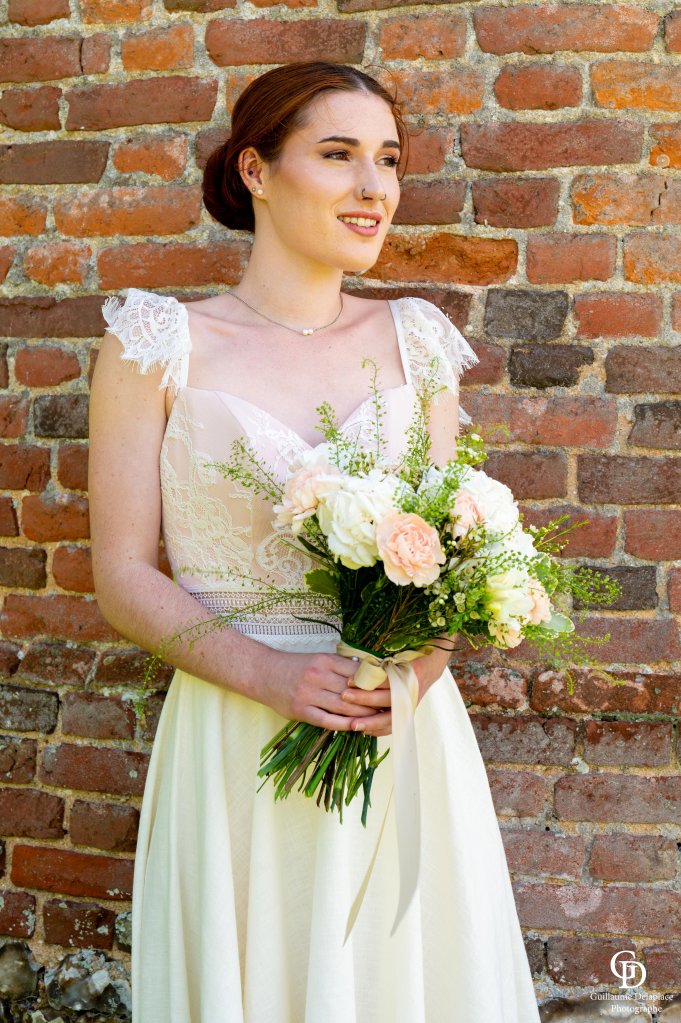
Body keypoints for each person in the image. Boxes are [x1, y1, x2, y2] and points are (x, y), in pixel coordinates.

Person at [89, 60, 541, 1023]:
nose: (374, 187)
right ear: (254, 170)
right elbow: (122, 574)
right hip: (234, 730)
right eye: (338, 156)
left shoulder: (418, 343)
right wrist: (274, 678)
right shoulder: (155, 343)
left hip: (396, 734)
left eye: (388, 159)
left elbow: (451, 551)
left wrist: (412, 671)